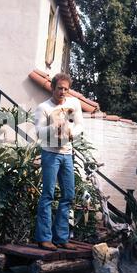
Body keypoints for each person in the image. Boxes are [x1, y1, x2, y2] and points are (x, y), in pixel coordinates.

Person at [34, 72, 83, 251]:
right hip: (50, 154)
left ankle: (61, 238)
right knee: (48, 195)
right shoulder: (43, 107)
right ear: (52, 88)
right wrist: (54, 126)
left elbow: (79, 125)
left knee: (68, 196)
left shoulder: (74, 104)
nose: (62, 92)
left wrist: (71, 133)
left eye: (66, 89)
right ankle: (44, 238)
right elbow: (39, 132)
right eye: (59, 88)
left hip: (67, 154)